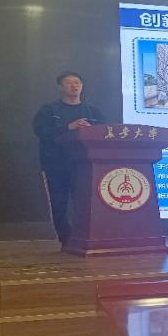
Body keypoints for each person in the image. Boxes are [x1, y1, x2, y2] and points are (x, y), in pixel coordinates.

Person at [32, 72, 107, 245]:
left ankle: (86, 236)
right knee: (59, 202)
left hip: (86, 165)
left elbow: (105, 132)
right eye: (69, 83)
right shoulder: (49, 110)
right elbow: (40, 131)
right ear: (60, 87)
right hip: (56, 164)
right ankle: (65, 238)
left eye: (77, 82)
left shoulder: (92, 111)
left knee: (86, 202)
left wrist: (90, 129)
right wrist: (68, 127)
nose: (74, 86)